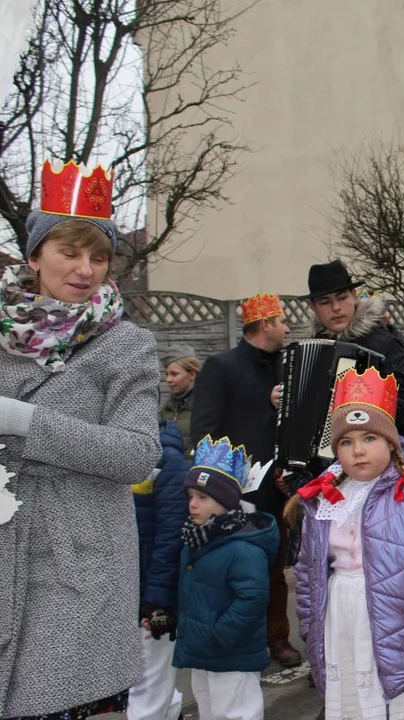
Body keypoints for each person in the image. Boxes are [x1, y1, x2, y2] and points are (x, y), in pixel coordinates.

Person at [0, 160, 161, 719]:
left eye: (98, 256)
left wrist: (25, 421)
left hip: (79, 559)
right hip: (4, 546)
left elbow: (138, 454)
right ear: (35, 254)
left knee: (59, 699)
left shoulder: (126, 345)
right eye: (69, 252)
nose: (85, 269)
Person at [287, 367, 404, 719]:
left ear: (390, 441)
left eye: (369, 438)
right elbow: (308, 574)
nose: (358, 451)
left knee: (399, 702)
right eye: (346, 442)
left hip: (398, 621)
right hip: (341, 619)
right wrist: (311, 630)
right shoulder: (322, 499)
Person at [189, 292, 301, 668]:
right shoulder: (221, 367)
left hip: (277, 491)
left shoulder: (289, 367)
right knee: (234, 571)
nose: (287, 328)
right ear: (266, 323)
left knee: (274, 572)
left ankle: (278, 638)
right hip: (233, 493)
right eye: (282, 321)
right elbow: (205, 432)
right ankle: (238, 640)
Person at [173, 436, 278, 720]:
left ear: (226, 502)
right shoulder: (196, 539)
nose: (193, 504)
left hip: (231, 653)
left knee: (237, 713)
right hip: (204, 653)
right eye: (191, 496)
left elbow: (253, 597)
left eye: (203, 497)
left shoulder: (243, 547)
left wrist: (221, 634)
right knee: (210, 711)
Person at [303, 259, 404, 440]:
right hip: (323, 462)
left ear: (354, 295)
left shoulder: (384, 343)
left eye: (342, 298)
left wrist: (367, 404)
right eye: (325, 302)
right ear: (313, 307)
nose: (336, 308)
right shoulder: (310, 351)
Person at [126, 421, 190, 720]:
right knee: (144, 674)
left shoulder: (167, 461)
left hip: (152, 593)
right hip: (125, 588)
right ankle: (170, 709)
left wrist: (158, 602)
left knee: (147, 678)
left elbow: (170, 538)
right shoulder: (111, 451)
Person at [160, 344, 200, 452]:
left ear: (192, 374)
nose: (168, 379)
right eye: (167, 374)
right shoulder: (166, 410)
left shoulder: (206, 407)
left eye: (174, 374)